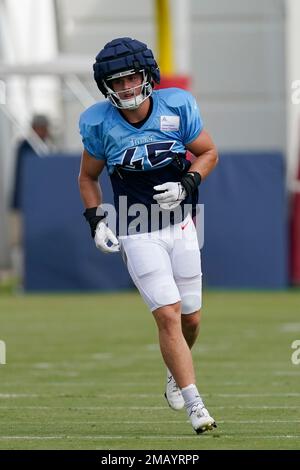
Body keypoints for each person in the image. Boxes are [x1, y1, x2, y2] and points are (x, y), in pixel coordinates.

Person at [78, 37, 218, 434]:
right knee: (168, 315)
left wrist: (188, 182)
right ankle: (196, 405)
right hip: (137, 231)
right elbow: (87, 177)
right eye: (116, 81)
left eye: (131, 78)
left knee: (190, 319)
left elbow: (209, 152)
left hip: (184, 225)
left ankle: (175, 373)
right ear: (106, 85)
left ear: (147, 75)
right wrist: (96, 220)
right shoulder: (98, 122)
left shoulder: (176, 106)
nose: (124, 88)